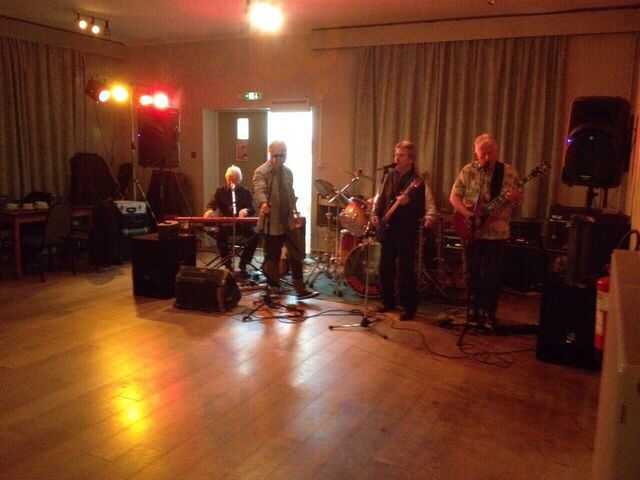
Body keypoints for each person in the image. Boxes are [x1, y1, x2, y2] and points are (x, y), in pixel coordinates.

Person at [449, 133, 522, 327]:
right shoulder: (468, 170)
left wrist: (515, 196)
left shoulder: (508, 172)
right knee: (470, 271)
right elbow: (454, 197)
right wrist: (466, 213)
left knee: (492, 274)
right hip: (471, 229)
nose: (487, 158)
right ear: (476, 152)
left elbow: (519, 199)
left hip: (497, 232)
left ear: (496, 151)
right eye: (483, 154)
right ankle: (473, 308)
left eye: (491, 153)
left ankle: (489, 311)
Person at [252, 140, 318, 299]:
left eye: (285, 153)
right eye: (281, 154)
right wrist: (263, 204)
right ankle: (274, 287)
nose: (284, 157)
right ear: (272, 155)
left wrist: (294, 211)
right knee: (272, 257)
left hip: (287, 221)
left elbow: (290, 192)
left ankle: (300, 289)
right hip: (271, 222)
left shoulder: (288, 172)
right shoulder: (262, 172)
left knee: (296, 253)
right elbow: (259, 189)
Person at [371, 141, 426, 320]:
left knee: (405, 269)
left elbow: (420, 211)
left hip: (405, 230)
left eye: (401, 155)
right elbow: (382, 199)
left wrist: (407, 202)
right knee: (385, 267)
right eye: (396, 154)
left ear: (410, 159)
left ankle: (408, 307)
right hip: (388, 228)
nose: (397, 158)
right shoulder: (390, 176)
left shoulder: (417, 181)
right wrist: (376, 214)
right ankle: (387, 301)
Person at [204, 165, 259, 277]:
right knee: (220, 236)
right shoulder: (220, 191)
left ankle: (244, 263)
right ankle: (227, 264)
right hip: (226, 224)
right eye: (229, 179)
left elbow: (252, 208)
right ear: (226, 178)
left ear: (239, 180)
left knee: (255, 235)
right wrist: (209, 211)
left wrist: (246, 211)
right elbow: (211, 204)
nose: (231, 182)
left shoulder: (245, 192)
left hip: (242, 224)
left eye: (234, 179)